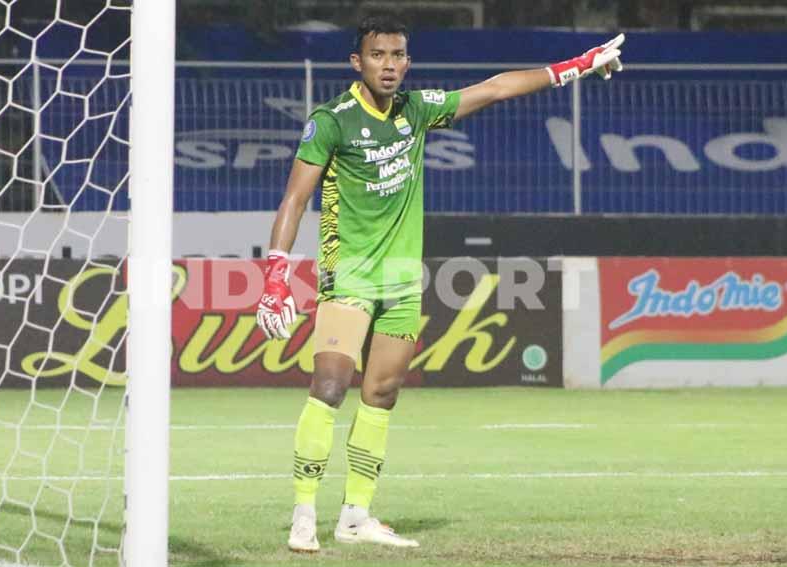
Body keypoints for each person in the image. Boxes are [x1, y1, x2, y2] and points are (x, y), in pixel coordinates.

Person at [255, 15, 625, 552]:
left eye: (399, 55)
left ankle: (356, 515)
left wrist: (578, 66)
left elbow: (496, 88)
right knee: (331, 387)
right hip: (349, 274)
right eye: (378, 55)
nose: (390, 65)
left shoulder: (417, 111)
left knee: (381, 393)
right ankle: (304, 513)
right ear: (357, 63)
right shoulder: (331, 120)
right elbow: (294, 199)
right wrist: (276, 274)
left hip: (403, 280)